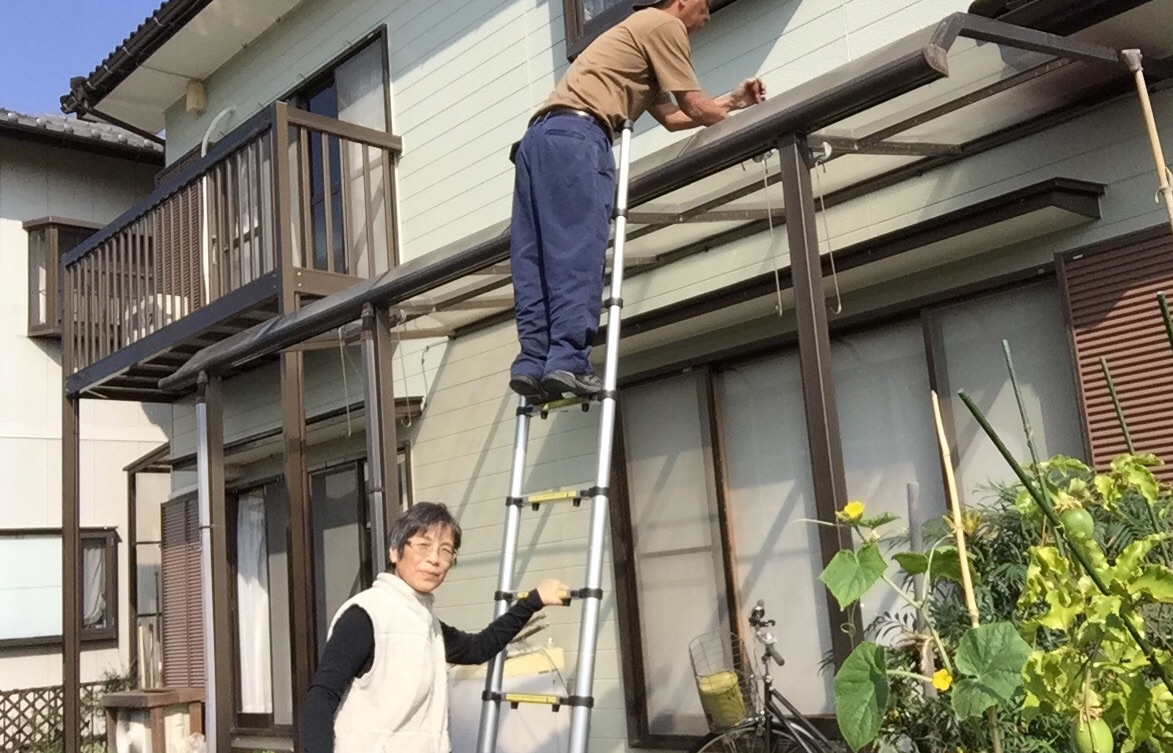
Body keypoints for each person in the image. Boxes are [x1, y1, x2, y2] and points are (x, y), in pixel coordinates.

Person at [508, 0, 766, 401]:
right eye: (703, 6)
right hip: (578, 138)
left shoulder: (635, 34)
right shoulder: (664, 25)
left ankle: (533, 361)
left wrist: (732, 102)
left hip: (537, 142)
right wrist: (753, 130)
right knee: (576, 251)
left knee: (535, 257)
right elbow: (694, 105)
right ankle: (567, 360)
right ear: (681, 1)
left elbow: (675, 118)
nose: (706, 17)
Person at [301, 502, 569, 753]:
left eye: (445, 550)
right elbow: (322, 696)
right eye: (423, 545)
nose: (434, 559)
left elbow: (478, 648)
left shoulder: (427, 624)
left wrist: (533, 601)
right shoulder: (366, 616)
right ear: (394, 551)